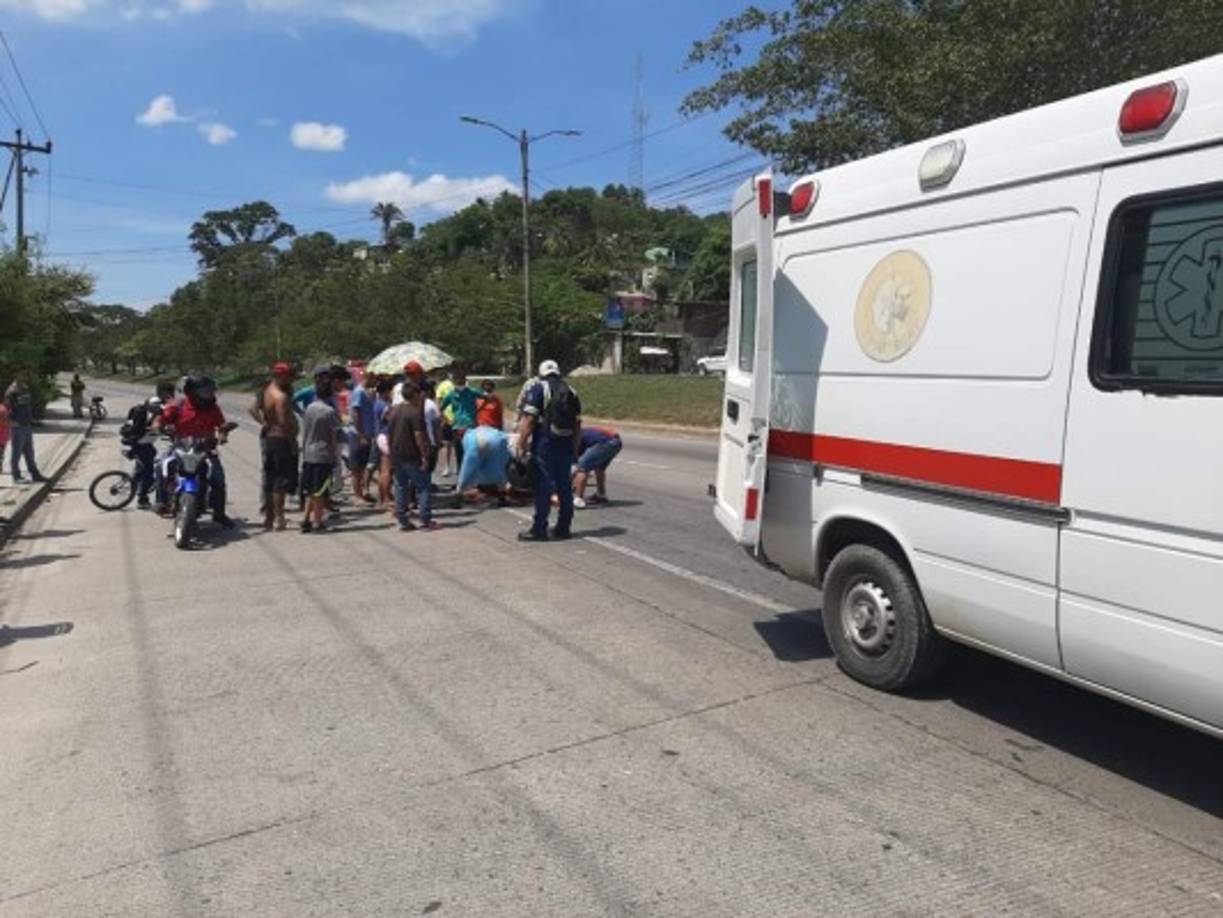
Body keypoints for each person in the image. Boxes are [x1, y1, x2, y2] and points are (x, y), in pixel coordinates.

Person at [515, 360, 581, 542]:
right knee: (564, 488)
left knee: (543, 487)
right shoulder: (571, 391)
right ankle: (563, 527)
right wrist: (575, 449)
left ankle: (539, 528)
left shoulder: (539, 388)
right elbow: (577, 425)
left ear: (541, 372)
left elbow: (528, 419)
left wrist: (521, 444)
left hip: (545, 445)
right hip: (565, 445)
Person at [154, 375, 233, 526]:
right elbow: (161, 418)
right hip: (180, 447)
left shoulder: (213, 408)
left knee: (218, 477)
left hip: (206, 449)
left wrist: (222, 435)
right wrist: (158, 426)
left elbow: (221, 426)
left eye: (210, 391)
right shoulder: (178, 405)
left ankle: (219, 513)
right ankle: (161, 501)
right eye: (205, 391)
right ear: (191, 392)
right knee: (161, 465)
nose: (209, 395)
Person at [385, 380, 438, 532]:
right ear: (415, 394)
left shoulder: (393, 410)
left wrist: (390, 451)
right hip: (412, 454)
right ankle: (425, 521)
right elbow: (418, 435)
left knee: (401, 486)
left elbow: (389, 433)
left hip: (396, 454)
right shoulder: (414, 412)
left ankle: (402, 520)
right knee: (423, 487)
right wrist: (424, 455)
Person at [299, 365, 339, 533]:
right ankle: (317, 522)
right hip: (323, 455)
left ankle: (306, 518)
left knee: (310, 490)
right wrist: (335, 455)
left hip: (308, 454)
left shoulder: (309, 408)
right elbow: (333, 436)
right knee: (320, 490)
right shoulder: (329, 411)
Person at [260, 362, 299, 531]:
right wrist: (292, 442)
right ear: (280, 376)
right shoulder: (281, 397)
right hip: (281, 440)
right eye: (289, 376)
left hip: (270, 438)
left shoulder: (268, 390)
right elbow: (284, 423)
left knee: (270, 479)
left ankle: (269, 517)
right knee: (280, 481)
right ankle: (279, 517)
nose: (291, 380)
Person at [123, 384, 173, 508]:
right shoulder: (149, 409)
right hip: (140, 443)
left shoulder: (150, 407)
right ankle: (142, 499)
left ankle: (135, 480)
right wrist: (161, 431)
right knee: (149, 474)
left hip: (143, 443)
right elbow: (145, 428)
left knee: (149, 458)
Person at [4, 369, 45, 483]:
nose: (23, 376)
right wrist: (12, 422)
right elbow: (7, 408)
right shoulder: (11, 391)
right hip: (17, 425)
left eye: (24, 374)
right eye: (21, 374)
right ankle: (16, 476)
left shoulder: (25, 389)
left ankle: (35, 474)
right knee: (16, 452)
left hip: (27, 424)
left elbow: (28, 405)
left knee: (29, 452)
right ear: (15, 375)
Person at [572, 424, 622, 509]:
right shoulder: (582, 432)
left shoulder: (576, 439)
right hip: (616, 441)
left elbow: (577, 465)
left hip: (605, 442)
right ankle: (601, 495)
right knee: (599, 468)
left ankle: (578, 500)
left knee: (582, 468)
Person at [440, 369, 481, 472]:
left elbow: (487, 397)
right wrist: (445, 419)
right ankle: (462, 474)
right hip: (459, 427)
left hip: (468, 426)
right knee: (461, 452)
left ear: (465, 380)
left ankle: (467, 475)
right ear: (454, 381)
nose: (460, 383)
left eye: (461, 381)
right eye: (457, 381)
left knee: (468, 452)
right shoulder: (451, 394)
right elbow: (440, 407)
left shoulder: (472, 391)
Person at [347, 370, 376, 503]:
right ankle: (358, 495)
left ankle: (363, 491)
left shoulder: (365, 392)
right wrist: (361, 434)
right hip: (359, 434)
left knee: (363, 465)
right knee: (356, 467)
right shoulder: (358, 392)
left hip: (367, 433)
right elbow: (355, 413)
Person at [434, 371, 456, 477]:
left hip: (447, 418)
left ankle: (447, 467)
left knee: (447, 444)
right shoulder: (454, 385)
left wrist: (441, 417)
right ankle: (458, 467)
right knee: (457, 444)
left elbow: (438, 404)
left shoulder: (441, 386)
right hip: (457, 418)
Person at [0, 400, 9, 473]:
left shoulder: (2, 409)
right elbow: (4, 422)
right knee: (1, 453)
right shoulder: (3, 409)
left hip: (2, 436)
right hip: (2, 436)